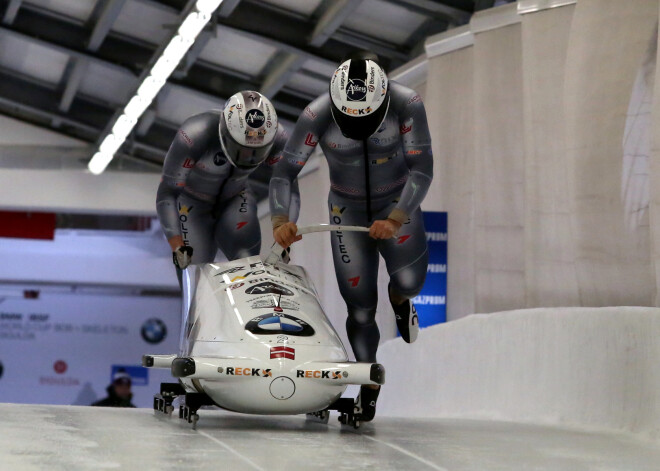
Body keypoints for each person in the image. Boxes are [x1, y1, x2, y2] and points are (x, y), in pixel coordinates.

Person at [269, 53, 433, 421]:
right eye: (349, 118)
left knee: (410, 280)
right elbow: (284, 173)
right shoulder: (317, 115)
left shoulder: (407, 104)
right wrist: (281, 219)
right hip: (347, 209)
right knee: (359, 306)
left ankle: (401, 298)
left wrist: (396, 217)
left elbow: (422, 168)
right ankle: (368, 382)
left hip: (397, 201)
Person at [156, 91, 299, 279]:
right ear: (225, 133)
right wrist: (176, 243)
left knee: (249, 266)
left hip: (236, 198)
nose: (250, 157)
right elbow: (168, 192)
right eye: (242, 148)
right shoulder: (195, 134)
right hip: (191, 204)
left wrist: (283, 227)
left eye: (258, 150)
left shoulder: (279, 138)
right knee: (195, 274)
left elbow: (287, 184)